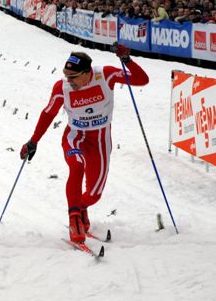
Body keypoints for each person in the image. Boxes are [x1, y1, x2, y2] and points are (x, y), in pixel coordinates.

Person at [20, 44, 149, 243]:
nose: (69, 82)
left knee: (95, 194)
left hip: (100, 139)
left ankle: (81, 208)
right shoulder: (62, 87)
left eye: (74, 77)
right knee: (77, 166)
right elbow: (48, 113)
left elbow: (142, 80)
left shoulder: (105, 75)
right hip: (75, 137)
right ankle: (74, 221)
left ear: (87, 72)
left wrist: (126, 60)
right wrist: (33, 141)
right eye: (66, 76)